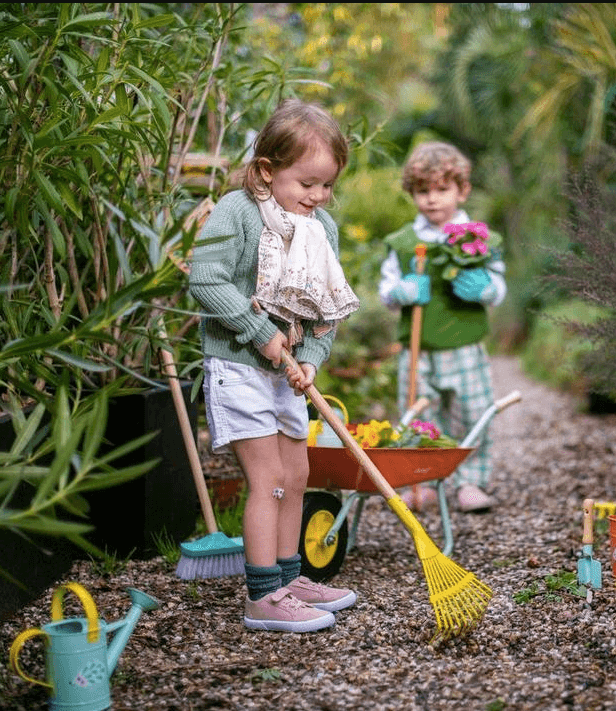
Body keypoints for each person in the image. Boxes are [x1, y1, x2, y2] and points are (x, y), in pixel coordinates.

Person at [189, 98, 360, 632]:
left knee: (298, 474)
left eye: (327, 185)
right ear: (267, 170)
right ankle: (262, 597)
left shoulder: (321, 228)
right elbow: (205, 278)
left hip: (285, 375)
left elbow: (322, 309)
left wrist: (308, 358)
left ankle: (291, 578)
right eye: (307, 183)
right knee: (268, 480)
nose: (318, 196)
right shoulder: (238, 212)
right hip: (237, 367)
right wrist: (261, 332)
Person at [378, 141, 507, 512]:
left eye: (441, 189)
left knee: (472, 412)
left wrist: (484, 289)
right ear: (412, 193)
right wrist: (401, 291)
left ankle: (470, 483)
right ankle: (424, 483)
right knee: (420, 417)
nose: (432, 200)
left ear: (462, 190)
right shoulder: (403, 243)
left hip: (464, 345)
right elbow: (386, 291)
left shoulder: (479, 240)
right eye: (423, 191)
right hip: (418, 351)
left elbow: (498, 287)